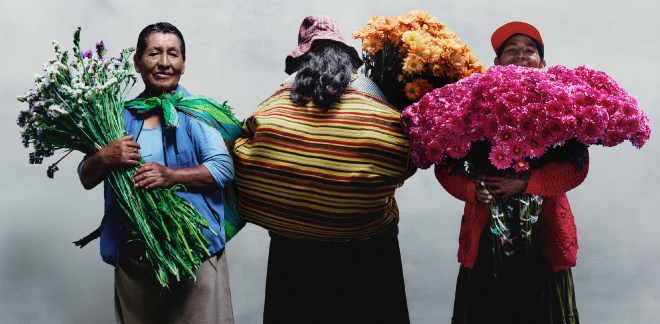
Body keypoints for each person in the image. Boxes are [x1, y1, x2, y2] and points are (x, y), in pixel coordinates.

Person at [233, 15, 416, 324]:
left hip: (293, 255)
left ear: (302, 57)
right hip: (366, 254)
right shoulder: (370, 89)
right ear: (346, 56)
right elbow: (402, 160)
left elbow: (248, 147)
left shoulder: (280, 96)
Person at [78, 22, 235, 323]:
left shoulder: (195, 113)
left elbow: (223, 168)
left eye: (173, 54)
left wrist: (171, 176)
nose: (164, 62)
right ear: (137, 62)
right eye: (154, 53)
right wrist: (104, 156)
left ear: (183, 64)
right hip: (135, 259)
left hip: (192, 251)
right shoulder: (118, 117)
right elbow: (87, 177)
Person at [436, 21, 589, 324]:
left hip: (544, 242)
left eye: (529, 51)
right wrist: (471, 190)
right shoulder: (472, 103)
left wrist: (526, 183)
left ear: (542, 64)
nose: (520, 56)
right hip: (487, 241)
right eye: (511, 51)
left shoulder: (562, 103)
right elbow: (445, 164)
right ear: (496, 62)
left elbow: (577, 168)